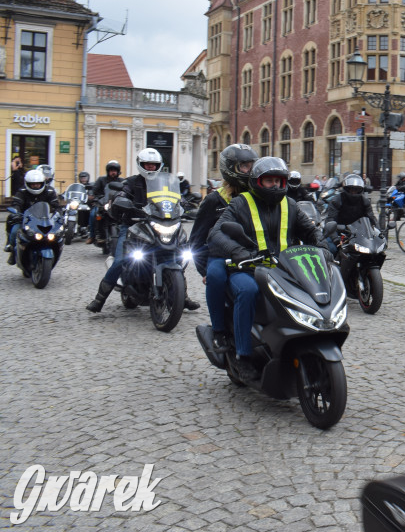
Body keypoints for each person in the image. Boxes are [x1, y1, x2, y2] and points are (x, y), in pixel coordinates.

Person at [207, 157, 325, 382]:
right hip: (247, 269)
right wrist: (238, 252)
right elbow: (216, 233)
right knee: (247, 291)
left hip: (284, 270)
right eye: (269, 181)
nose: (275, 185)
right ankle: (243, 356)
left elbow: (310, 230)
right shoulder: (241, 203)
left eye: (279, 181)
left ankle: (297, 342)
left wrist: (322, 248)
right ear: (257, 182)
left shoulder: (290, 204)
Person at [86, 148, 202, 313]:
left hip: (160, 224)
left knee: (175, 257)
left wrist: (186, 205)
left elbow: (178, 199)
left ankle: (182, 296)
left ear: (159, 166)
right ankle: (99, 299)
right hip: (134, 224)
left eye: (154, 165)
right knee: (121, 260)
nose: (150, 168)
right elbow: (122, 193)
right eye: (147, 165)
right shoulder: (132, 182)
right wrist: (121, 199)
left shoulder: (167, 183)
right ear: (141, 165)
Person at [188, 143, 258, 351]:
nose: (249, 171)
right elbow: (197, 240)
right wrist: (204, 270)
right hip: (219, 256)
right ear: (231, 168)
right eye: (244, 166)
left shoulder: (257, 196)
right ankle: (218, 330)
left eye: (251, 165)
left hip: (249, 255)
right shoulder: (213, 200)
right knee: (216, 277)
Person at [6, 169, 59, 264]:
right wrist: (16, 212)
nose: (35, 186)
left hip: (45, 219)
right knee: (14, 230)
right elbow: (16, 203)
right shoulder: (22, 191)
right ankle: (13, 250)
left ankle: (57, 249)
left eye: (38, 184)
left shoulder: (49, 191)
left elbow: (56, 206)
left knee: (58, 233)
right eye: (33, 184)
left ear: (42, 183)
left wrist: (58, 214)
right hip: (26, 219)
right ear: (27, 183)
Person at [87, 160, 123, 244]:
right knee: (93, 214)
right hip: (102, 203)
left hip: (116, 204)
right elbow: (94, 190)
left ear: (118, 172)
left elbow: (126, 190)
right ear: (108, 171)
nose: (113, 172)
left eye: (114, 171)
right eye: (111, 171)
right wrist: (92, 196)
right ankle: (92, 236)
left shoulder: (121, 181)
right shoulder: (101, 180)